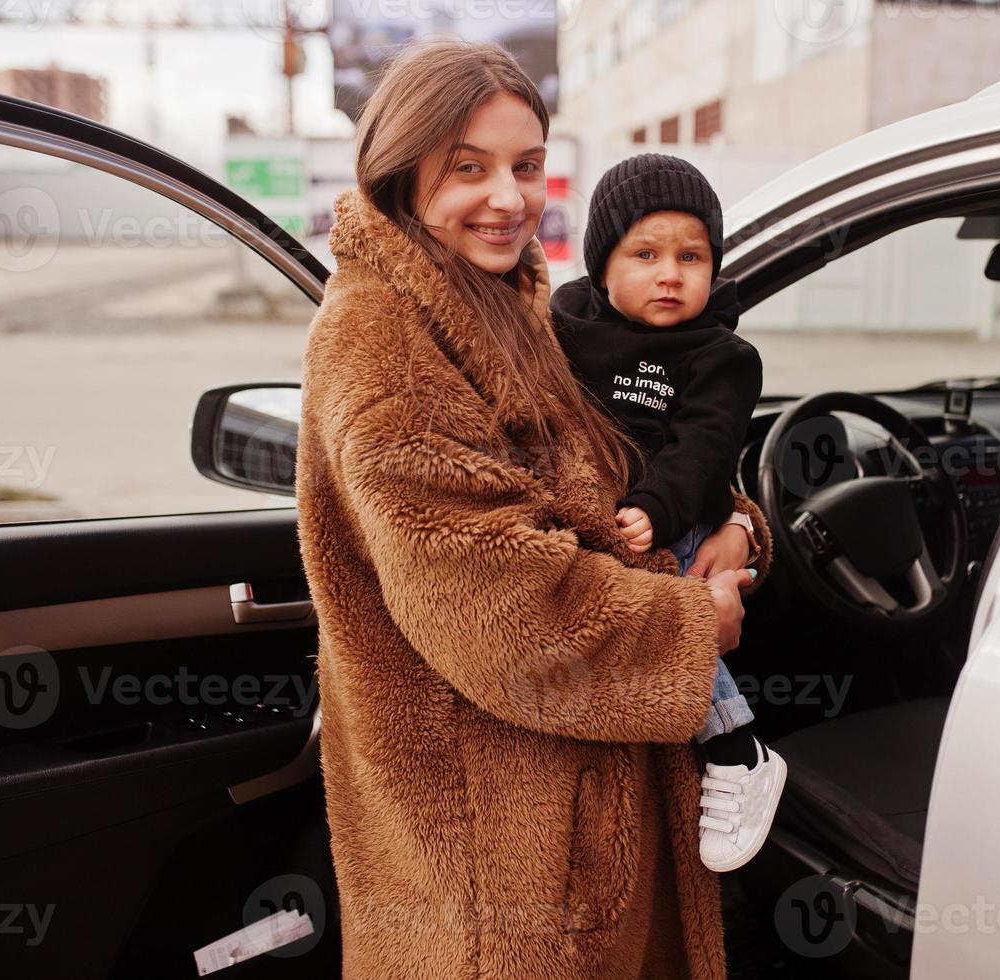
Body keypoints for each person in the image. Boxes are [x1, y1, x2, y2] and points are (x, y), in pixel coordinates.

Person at [295, 39, 772, 980]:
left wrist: (736, 527)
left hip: (566, 799)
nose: (508, 198)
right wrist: (692, 618)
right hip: (497, 844)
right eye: (466, 168)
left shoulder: (506, 307)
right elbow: (502, 611)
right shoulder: (384, 339)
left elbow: (623, 463)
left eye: (525, 165)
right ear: (400, 172)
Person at [550, 154, 787, 873]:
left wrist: (660, 507)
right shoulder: (560, 330)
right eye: (644, 254)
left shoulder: (719, 354)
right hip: (599, 535)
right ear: (602, 267)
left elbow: (704, 449)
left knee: (679, 602)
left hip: (673, 520)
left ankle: (734, 746)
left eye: (692, 256)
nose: (669, 274)